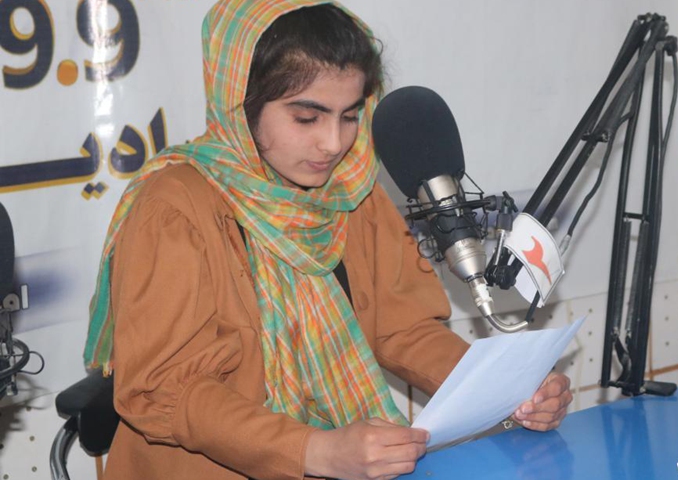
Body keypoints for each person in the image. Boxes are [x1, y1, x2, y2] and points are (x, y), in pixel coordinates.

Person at [83, 1, 573, 479]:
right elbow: (165, 389)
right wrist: (312, 449)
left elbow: (402, 329)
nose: (334, 143)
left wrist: (508, 391)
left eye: (350, 115)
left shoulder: (351, 189)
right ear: (241, 104)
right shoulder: (175, 206)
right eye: (307, 117)